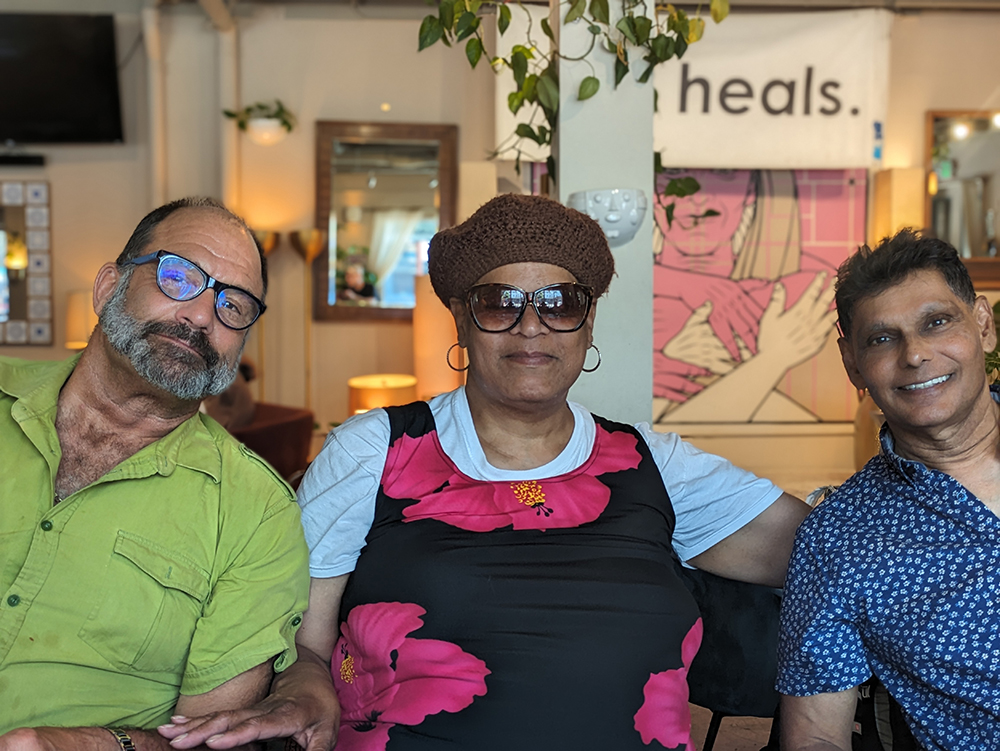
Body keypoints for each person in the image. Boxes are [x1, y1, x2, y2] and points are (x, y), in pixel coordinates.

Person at [160, 193, 808, 751]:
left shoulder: (656, 466)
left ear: (587, 325)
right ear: (463, 320)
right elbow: (300, 643)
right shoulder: (374, 450)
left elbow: (831, 550)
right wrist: (303, 692)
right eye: (500, 301)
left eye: (560, 301)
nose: (531, 325)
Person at [0, 198, 309, 749]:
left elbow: (210, 739)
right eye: (178, 277)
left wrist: (78, 744)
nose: (200, 316)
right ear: (107, 287)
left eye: (233, 305)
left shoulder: (256, 513)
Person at [777, 229, 1000, 751]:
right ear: (852, 364)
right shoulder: (839, 540)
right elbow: (815, 736)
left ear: (983, 325)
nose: (916, 355)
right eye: (882, 338)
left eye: (937, 322)